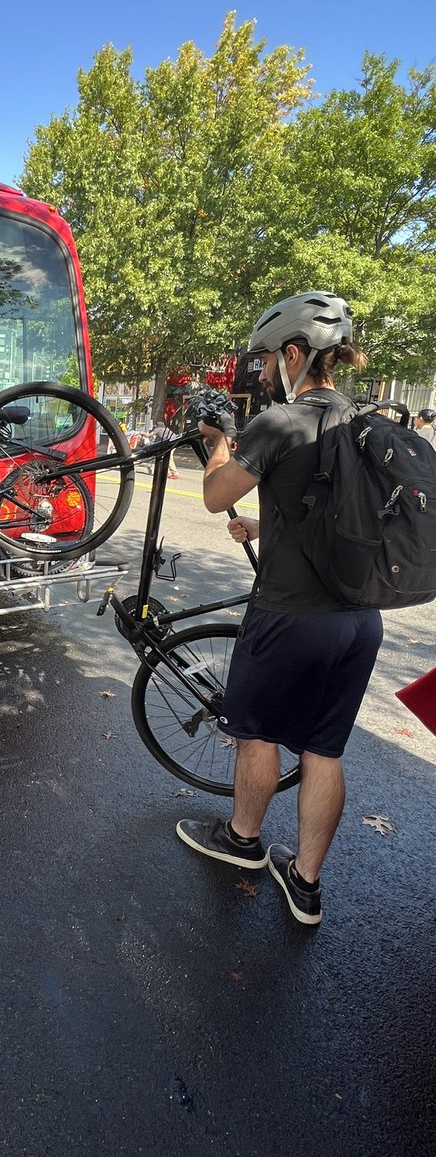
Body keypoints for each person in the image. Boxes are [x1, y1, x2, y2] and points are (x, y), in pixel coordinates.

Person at [176, 291, 383, 926]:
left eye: (266, 359)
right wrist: (268, 530)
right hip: (359, 621)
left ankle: (242, 841)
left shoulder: (280, 422)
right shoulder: (366, 420)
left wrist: (218, 439)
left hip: (290, 618)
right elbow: (336, 507)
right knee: (324, 751)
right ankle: (306, 884)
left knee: (257, 733)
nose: (261, 371)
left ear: (294, 354)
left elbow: (215, 495)